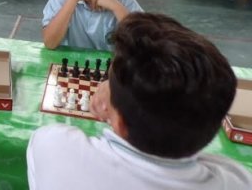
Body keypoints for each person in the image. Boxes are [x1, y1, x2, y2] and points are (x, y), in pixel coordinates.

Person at [28, 12, 252, 190]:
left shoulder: (53, 147)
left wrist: (116, 103)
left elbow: (53, 137)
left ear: (119, 123)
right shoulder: (238, 181)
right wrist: (119, 103)